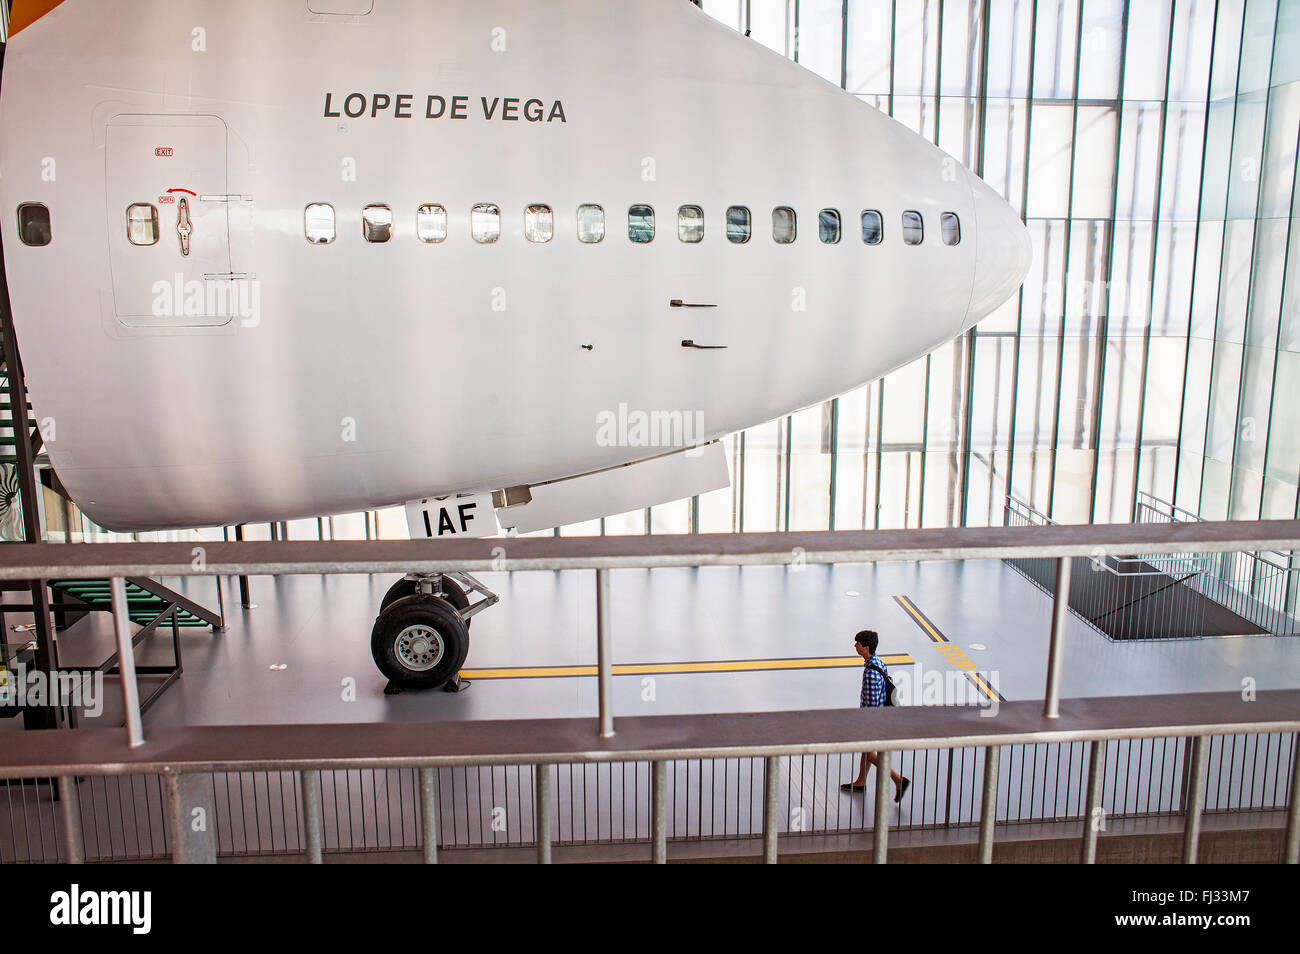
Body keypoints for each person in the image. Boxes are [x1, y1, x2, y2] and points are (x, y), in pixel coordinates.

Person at [840, 629, 910, 802]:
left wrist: (864, 721)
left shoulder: (871, 673)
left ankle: (898, 779)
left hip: (873, 719)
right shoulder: (878, 662)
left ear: (865, 647)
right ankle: (861, 782)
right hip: (881, 715)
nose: (855, 646)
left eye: (857, 643)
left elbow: (871, 703)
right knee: (867, 750)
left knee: (867, 751)